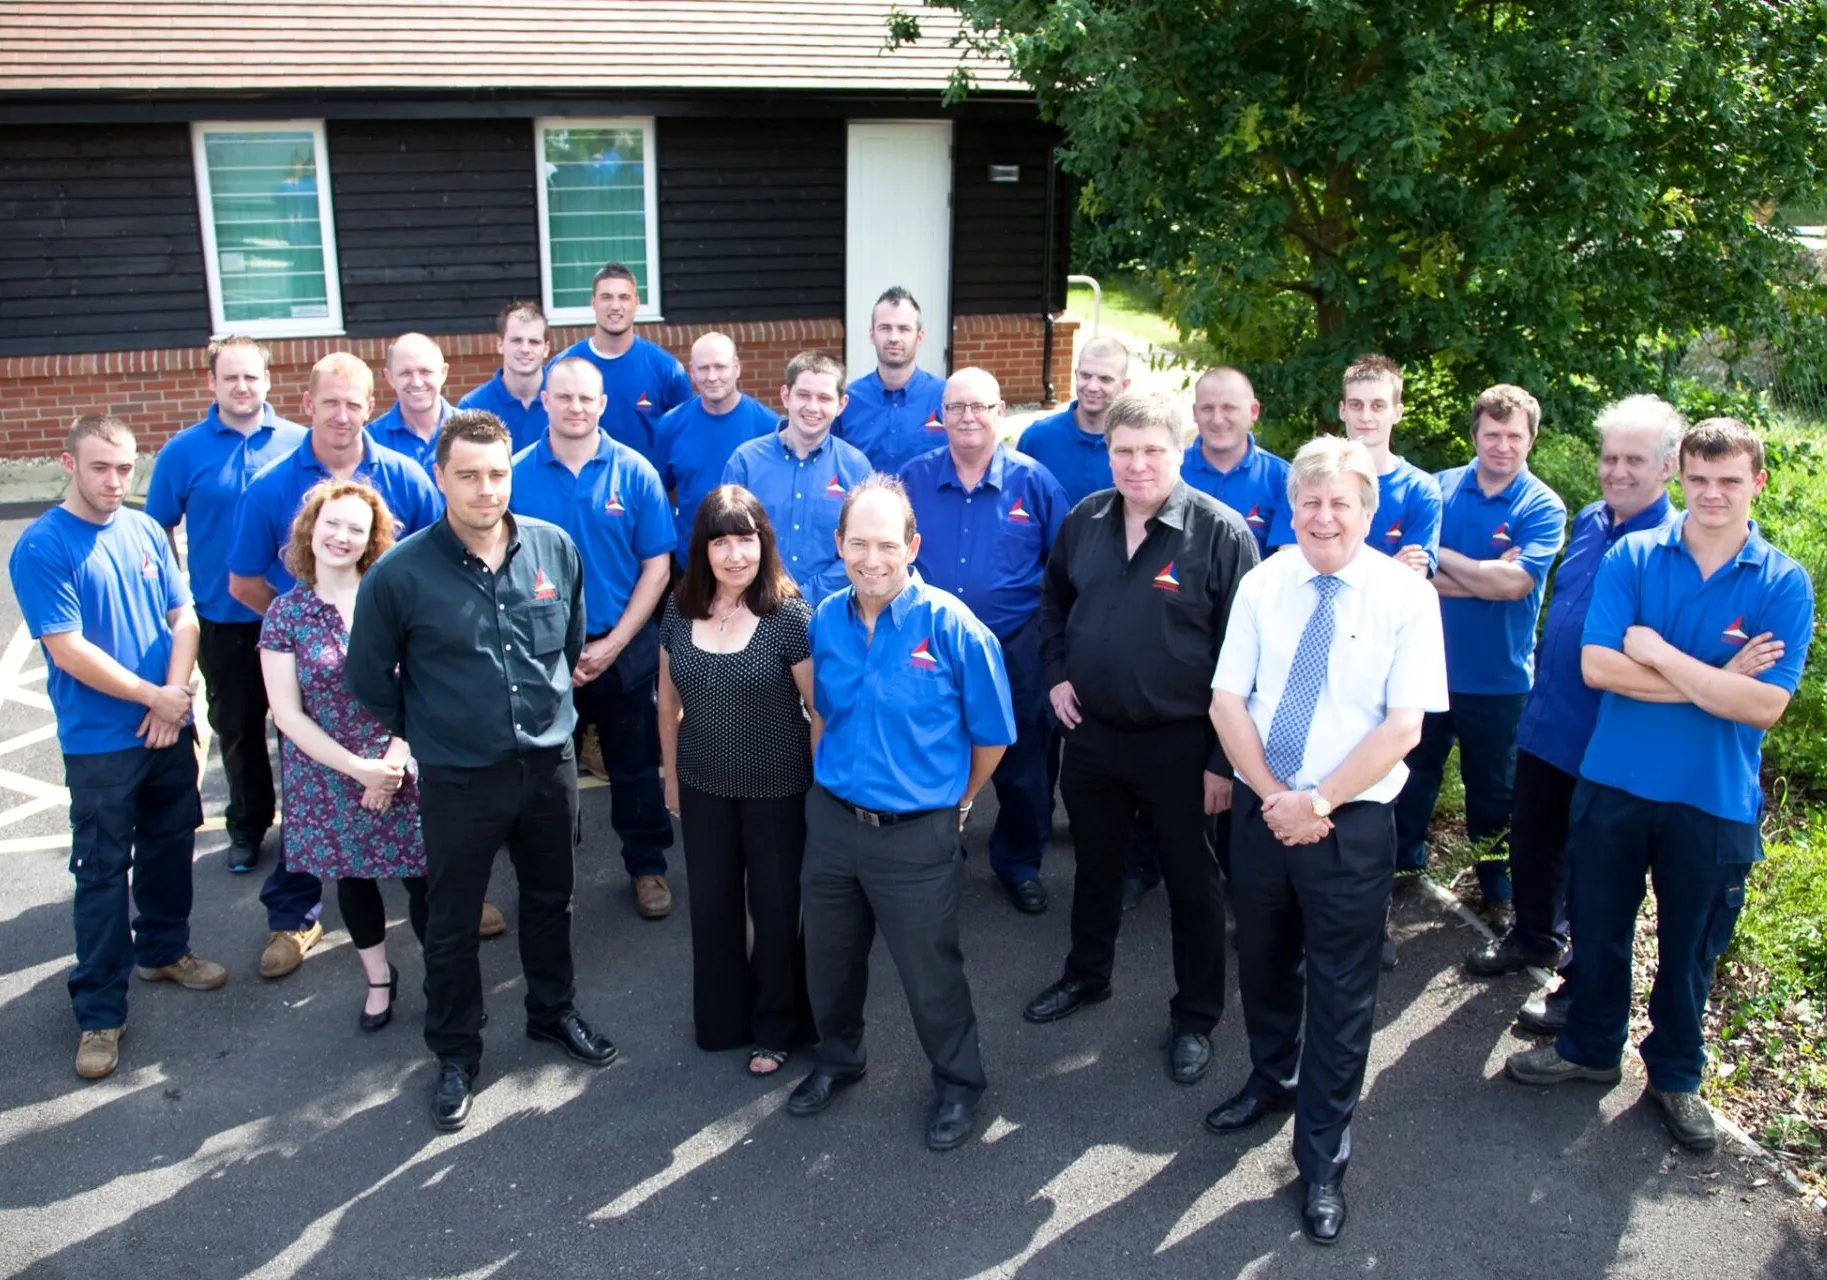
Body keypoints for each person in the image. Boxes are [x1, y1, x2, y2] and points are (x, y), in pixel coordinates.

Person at [1506, 419, 1814, 1154]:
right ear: (1679, 478)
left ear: (1756, 484)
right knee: (1600, 930)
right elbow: (1598, 669)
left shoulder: (1781, 582)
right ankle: (1588, 1049)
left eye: (1728, 481)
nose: (1711, 494)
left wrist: (1656, 653)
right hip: (1613, 782)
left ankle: (1675, 1075)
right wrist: (1714, 680)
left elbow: (1763, 705)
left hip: (1711, 798)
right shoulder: (1636, 557)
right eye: (1699, 480)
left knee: (1687, 953)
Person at [347, 410, 619, 1133]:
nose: (484, 489)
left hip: (546, 766)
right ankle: (456, 1051)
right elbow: (370, 678)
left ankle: (552, 1011)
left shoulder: (554, 550)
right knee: (451, 920)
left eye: (497, 473)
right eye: (467, 475)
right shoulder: (399, 574)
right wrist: (428, 730)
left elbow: (566, 643)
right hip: (458, 776)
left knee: (551, 898)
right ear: (439, 477)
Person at [1206, 435, 1448, 1246]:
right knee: (1263, 959)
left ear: (1368, 512)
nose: (1323, 516)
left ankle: (1321, 1160)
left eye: (1341, 501)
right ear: (1290, 509)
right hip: (1263, 812)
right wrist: (1278, 799)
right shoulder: (1262, 583)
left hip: (1351, 823)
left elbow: (1405, 727)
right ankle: (1270, 1077)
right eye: (1308, 501)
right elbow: (1226, 701)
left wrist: (1319, 801)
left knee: (1343, 993)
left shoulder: (1406, 598)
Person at [1024, 391, 1257, 1086]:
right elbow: (1053, 603)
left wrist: (1224, 761)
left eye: (1152, 450)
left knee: (1193, 887)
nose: (1136, 464)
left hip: (1181, 747)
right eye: (1123, 450)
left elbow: (1244, 659)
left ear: (1179, 451)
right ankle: (1086, 976)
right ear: (1108, 453)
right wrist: (1058, 675)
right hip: (1092, 738)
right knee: (1093, 869)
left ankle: (1194, 1018)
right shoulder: (1084, 521)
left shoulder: (1219, 534)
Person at [786, 476, 1016, 1151]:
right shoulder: (824, 618)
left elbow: (993, 737)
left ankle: (957, 1083)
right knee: (828, 962)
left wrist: (959, 800)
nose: (872, 558)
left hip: (916, 836)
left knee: (929, 972)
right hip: (832, 823)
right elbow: (823, 713)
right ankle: (838, 1058)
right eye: (858, 543)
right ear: (838, 544)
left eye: (887, 543)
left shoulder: (953, 628)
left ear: (913, 546)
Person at [226, 351, 454, 981]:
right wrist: (304, 633)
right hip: (324, 744)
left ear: (369, 408)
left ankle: (455, 919)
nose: (343, 414)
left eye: (355, 403)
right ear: (308, 405)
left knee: (425, 863)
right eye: (331, 402)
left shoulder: (403, 475)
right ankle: (296, 918)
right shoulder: (272, 485)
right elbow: (243, 580)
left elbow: (440, 565)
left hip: (399, 742)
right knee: (339, 859)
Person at [10, 414, 225, 1082]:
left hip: (165, 720)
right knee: (102, 872)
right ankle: (100, 1011)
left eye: (126, 467)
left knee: (170, 842)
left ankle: (164, 949)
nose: (114, 480)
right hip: (101, 742)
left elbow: (181, 615)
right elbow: (67, 648)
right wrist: (151, 699)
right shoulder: (44, 545)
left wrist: (175, 694)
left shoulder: (142, 529)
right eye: (101, 467)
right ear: (69, 464)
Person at [1464, 397, 1687, 1021]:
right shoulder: (1590, 520)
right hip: (1547, 723)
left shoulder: (1672, 548)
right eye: (1610, 457)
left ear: (1667, 467)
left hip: (1608, 738)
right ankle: (1530, 938)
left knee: (1597, 874)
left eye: (1634, 460)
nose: (1617, 471)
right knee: (1534, 845)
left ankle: (1577, 991)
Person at [1390, 385, 1566, 946]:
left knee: (1495, 794)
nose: (1502, 445)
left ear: (1531, 438)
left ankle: (1498, 896)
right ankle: (1400, 875)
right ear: (1475, 434)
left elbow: (1514, 586)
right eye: (1492, 433)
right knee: (1411, 781)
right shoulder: (1436, 489)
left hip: (1500, 680)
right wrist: (1483, 574)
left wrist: (1446, 564)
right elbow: (1408, 577)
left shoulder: (1542, 505)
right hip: (1424, 670)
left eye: (1515, 435)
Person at [512, 357, 677, 919]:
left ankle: (647, 866)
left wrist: (612, 644)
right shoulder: (515, 475)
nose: (575, 408)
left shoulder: (635, 473)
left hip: (622, 646)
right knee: (541, 776)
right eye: (564, 397)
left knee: (634, 767)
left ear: (603, 404)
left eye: (586, 398)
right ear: (545, 401)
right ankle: (549, 876)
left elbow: (657, 567)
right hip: (538, 654)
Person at [657, 485, 815, 1073]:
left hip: (778, 787)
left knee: (775, 910)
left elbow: (818, 708)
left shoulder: (789, 615)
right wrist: (671, 776)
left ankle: (777, 1024)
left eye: (745, 539)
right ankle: (723, 1018)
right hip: (702, 785)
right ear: (702, 549)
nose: (733, 555)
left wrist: (820, 786)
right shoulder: (680, 607)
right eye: (719, 541)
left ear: (763, 542)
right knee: (713, 906)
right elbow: (667, 698)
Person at [259, 480, 425, 1030]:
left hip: (405, 760)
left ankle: (443, 978)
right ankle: (379, 978)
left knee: (426, 877)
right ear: (312, 529)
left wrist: (393, 764)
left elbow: (422, 687)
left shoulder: (395, 596)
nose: (342, 536)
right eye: (333, 523)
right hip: (329, 774)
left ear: (373, 538)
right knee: (355, 881)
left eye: (357, 527)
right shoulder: (286, 614)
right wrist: (360, 771)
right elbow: (287, 715)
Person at [901, 367, 1068, 914]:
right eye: (956, 408)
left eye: (979, 407)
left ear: (1001, 413)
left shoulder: (1035, 483)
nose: (968, 417)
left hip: (1013, 647)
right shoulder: (913, 479)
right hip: (931, 645)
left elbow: (1064, 573)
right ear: (941, 416)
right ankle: (933, 857)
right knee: (932, 751)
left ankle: (1019, 863)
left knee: (1022, 763)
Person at [144, 335, 304, 874]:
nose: (242, 386)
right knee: (238, 733)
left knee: (302, 730)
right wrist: (176, 598)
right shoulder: (182, 452)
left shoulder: (298, 443)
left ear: (267, 380)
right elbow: (156, 528)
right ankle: (248, 827)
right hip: (223, 620)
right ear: (211, 382)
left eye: (251, 376)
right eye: (230, 377)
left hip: (294, 619)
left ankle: (309, 828)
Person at [722, 351, 872, 605]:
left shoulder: (856, 468)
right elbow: (727, 538)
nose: (812, 407)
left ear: (841, 404)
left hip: (830, 612)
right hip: (754, 607)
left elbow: (864, 546)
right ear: (785, 396)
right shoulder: (745, 462)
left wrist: (804, 594)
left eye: (824, 398)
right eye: (803, 395)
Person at [549, 261, 692, 469]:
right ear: (593, 303)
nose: (615, 306)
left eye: (623, 297)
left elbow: (684, 440)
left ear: (637, 304)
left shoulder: (667, 370)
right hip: (579, 492)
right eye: (606, 297)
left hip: (644, 495)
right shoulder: (562, 368)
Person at [652, 332, 781, 556]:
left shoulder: (769, 427)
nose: (712, 377)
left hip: (748, 561)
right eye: (703, 368)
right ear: (691, 372)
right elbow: (660, 492)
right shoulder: (670, 425)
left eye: (720, 367)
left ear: (737, 368)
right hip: (690, 561)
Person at [1338, 354, 1441, 572]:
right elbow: (1295, 561)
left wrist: (1338, 569)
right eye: (1356, 405)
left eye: (1377, 406)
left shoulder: (1420, 490)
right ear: (1342, 410)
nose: (1365, 416)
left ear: (1397, 413)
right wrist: (1391, 568)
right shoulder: (1313, 479)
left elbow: (1413, 578)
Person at [1181, 366, 1294, 560]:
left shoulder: (1283, 478)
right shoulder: (1171, 471)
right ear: (1194, 412)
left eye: (1229, 408)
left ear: (1254, 410)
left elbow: (1289, 558)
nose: (1217, 420)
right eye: (1207, 408)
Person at [831, 286, 946, 474]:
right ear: (872, 335)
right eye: (885, 328)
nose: (894, 338)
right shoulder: (847, 400)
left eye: (904, 329)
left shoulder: (945, 397)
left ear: (919, 337)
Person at [1016, 337, 1133, 506]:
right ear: (1076, 375)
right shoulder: (1037, 439)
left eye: (1105, 379)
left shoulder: (1135, 447)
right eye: (1086, 375)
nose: (1092, 387)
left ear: (1124, 385)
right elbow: (1017, 508)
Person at [458, 301, 553, 453]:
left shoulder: (567, 401)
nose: (525, 349)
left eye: (534, 342)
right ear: (500, 345)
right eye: (516, 341)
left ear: (546, 349)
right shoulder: (473, 407)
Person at [368, 333, 454, 472]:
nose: (417, 382)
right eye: (405, 373)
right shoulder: (371, 441)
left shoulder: (473, 432)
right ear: (389, 378)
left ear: (443, 373)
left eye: (425, 371)